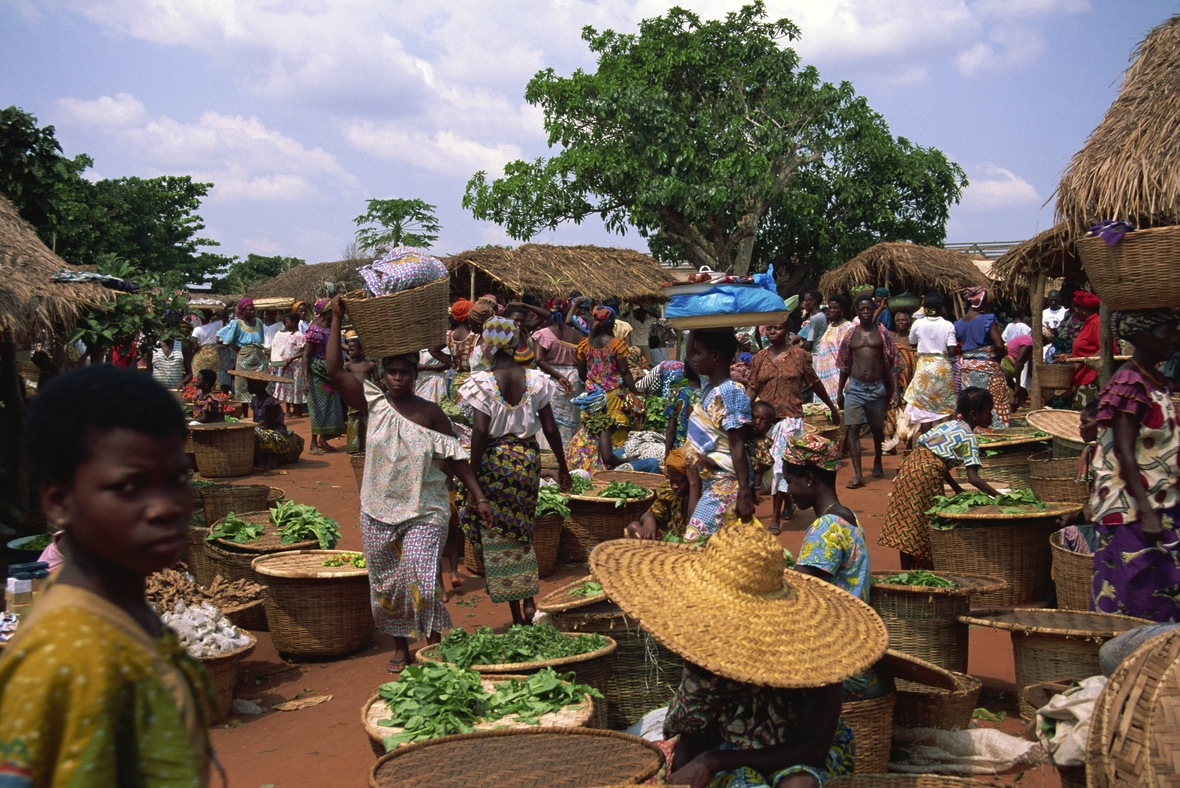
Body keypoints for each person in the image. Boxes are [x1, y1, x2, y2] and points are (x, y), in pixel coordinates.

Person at [0, 365, 213, 786]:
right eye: (129, 487)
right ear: (59, 501)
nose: (165, 506)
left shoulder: (123, 609)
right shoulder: (69, 652)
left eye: (177, 479)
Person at [590, 521, 886, 788]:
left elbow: (813, 747)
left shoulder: (819, 647)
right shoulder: (706, 646)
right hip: (729, 745)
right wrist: (690, 772)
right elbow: (694, 734)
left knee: (799, 785)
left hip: (798, 750)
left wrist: (715, 761)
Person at [325, 297, 494, 673]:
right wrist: (337, 319)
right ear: (382, 374)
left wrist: (478, 496)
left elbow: (456, 457)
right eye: (392, 372)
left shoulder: (430, 412)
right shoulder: (373, 403)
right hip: (377, 507)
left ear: (415, 375)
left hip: (424, 509)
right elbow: (334, 370)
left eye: (405, 372)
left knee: (419, 573)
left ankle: (432, 645)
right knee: (385, 584)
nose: (398, 378)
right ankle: (401, 647)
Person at [458, 315, 573, 625]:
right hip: (526, 462)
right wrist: (562, 467)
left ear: (489, 346)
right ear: (515, 344)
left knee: (497, 534)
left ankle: (516, 610)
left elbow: (480, 433)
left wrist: (473, 473)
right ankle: (530, 603)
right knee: (522, 530)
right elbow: (550, 428)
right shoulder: (535, 380)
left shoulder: (482, 382)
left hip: (495, 463)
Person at [1091, 308, 1180, 622]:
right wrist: (1145, 511)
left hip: (1160, 503)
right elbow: (1125, 453)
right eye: (1166, 332)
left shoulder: (1155, 379)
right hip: (1131, 511)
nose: (1174, 339)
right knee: (1134, 598)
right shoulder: (1129, 382)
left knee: (1166, 594)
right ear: (1141, 336)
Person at [879, 387, 1001, 568]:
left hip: (909, 467)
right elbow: (973, 478)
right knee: (924, 525)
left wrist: (956, 487)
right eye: (987, 412)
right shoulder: (969, 438)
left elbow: (933, 452)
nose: (991, 417)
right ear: (974, 415)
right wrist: (998, 495)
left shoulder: (948, 425)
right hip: (926, 475)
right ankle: (925, 571)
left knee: (907, 524)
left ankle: (905, 572)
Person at [682, 328, 754, 544]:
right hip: (711, 480)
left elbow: (737, 445)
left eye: (699, 353)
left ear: (714, 356)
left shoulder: (730, 391)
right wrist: (696, 324)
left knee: (694, 540)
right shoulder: (709, 387)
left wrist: (744, 492)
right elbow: (688, 358)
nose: (694, 359)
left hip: (727, 483)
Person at [837, 294, 899, 488]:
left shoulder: (883, 334)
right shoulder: (850, 335)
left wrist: (896, 390)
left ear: (873, 310)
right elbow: (844, 365)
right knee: (853, 429)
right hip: (855, 387)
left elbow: (894, 363)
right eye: (862, 309)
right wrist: (839, 392)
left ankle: (878, 461)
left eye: (869, 309)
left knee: (877, 429)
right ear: (857, 312)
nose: (865, 312)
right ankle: (858, 474)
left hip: (877, 388)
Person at [572, 306, 640, 471]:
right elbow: (625, 372)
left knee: (595, 430)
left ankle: (595, 463)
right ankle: (615, 465)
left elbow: (582, 373)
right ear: (612, 324)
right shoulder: (617, 344)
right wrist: (636, 392)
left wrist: (593, 384)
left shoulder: (584, 345)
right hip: (614, 395)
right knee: (615, 432)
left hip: (593, 396)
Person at [534, 298, 586, 448]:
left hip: (550, 377)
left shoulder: (543, 334)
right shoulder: (578, 336)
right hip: (573, 378)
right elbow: (582, 366)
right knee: (568, 420)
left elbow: (539, 360)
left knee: (547, 417)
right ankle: (566, 451)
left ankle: (546, 451)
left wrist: (559, 377)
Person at [954, 286, 1009, 428]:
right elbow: (999, 345)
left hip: (967, 369)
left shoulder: (958, 324)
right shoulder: (987, 319)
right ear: (981, 301)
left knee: (972, 402)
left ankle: (974, 431)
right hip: (988, 369)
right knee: (995, 403)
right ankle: (996, 433)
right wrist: (1002, 355)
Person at [904, 293, 958, 434]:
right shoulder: (948, 325)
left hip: (924, 369)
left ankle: (926, 445)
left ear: (925, 308)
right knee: (944, 406)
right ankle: (943, 441)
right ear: (942, 309)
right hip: (943, 368)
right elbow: (952, 351)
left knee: (924, 409)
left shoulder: (918, 323)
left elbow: (912, 342)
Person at [301, 299, 346, 454]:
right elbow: (306, 356)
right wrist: (306, 379)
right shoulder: (315, 330)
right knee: (317, 408)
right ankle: (313, 442)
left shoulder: (330, 328)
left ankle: (323, 440)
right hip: (317, 374)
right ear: (328, 312)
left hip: (330, 373)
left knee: (332, 407)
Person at [625, 448, 698, 542]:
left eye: (679, 481)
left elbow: (693, 527)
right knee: (634, 527)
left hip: (689, 546)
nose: (674, 486)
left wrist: (694, 485)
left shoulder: (702, 498)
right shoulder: (674, 496)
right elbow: (649, 513)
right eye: (671, 480)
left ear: (691, 479)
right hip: (671, 542)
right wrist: (649, 519)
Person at [241, 372, 305, 469]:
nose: (248, 387)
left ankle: (262, 462)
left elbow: (268, 425)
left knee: (252, 434)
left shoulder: (271, 403)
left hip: (276, 434)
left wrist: (250, 428)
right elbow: (256, 421)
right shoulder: (255, 400)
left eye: (251, 385)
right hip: (262, 431)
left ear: (261, 386)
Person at [217, 297, 268, 418]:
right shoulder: (237, 324)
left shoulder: (259, 322)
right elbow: (223, 337)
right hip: (244, 356)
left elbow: (261, 338)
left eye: (253, 310)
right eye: (249, 310)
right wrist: (238, 349)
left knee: (262, 383)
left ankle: (259, 414)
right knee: (242, 385)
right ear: (242, 311)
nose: (252, 312)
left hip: (259, 356)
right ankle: (245, 415)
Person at [1061, 291, 1105, 408]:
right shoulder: (1087, 324)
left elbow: (1106, 350)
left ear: (1083, 309)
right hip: (1082, 379)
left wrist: (1082, 361)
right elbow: (1088, 350)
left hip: (1091, 380)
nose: (1074, 315)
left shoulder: (1097, 323)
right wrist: (1070, 356)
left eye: (1075, 310)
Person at [884, 309, 918, 451]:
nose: (901, 322)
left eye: (904, 320)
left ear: (909, 322)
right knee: (892, 408)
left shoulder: (913, 339)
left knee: (908, 411)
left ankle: (908, 443)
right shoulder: (891, 336)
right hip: (894, 378)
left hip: (911, 379)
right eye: (898, 320)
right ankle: (890, 443)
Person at [813, 295, 855, 402]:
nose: (831, 310)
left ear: (843, 309)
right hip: (824, 376)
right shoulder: (830, 326)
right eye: (830, 308)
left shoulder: (848, 327)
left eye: (835, 308)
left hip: (838, 376)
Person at [344, 333, 377, 454]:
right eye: (349, 350)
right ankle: (354, 446)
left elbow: (377, 381)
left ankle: (367, 445)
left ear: (362, 350)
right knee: (353, 419)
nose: (350, 352)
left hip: (368, 396)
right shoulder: (348, 366)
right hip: (354, 396)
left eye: (352, 350)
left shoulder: (371, 365)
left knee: (368, 420)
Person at [271, 313, 307, 417]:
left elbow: (304, 351)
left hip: (296, 367)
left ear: (294, 322)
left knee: (296, 388)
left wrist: (292, 358)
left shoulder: (299, 336)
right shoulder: (291, 335)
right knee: (291, 388)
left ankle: (298, 411)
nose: (286, 325)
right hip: (289, 366)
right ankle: (294, 410)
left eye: (287, 322)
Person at [1002, 305, 1033, 410]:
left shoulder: (1009, 326)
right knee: (1020, 381)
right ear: (1023, 314)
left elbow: (1003, 339)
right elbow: (1019, 361)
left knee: (1015, 384)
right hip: (1017, 357)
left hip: (1011, 354)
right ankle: (1015, 402)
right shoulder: (1025, 329)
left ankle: (1017, 403)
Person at [746, 401, 776, 497]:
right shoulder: (745, 434)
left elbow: (760, 469)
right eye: (754, 417)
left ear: (768, 428)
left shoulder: (760, 443)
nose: (757, 422)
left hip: (757, 480)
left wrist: (756, 488)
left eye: (764, 422)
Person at [191, 311, 223, 382]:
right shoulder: (215, 325)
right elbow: (224, 319)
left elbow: (195, 346)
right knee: (214, 374)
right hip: (213, 355)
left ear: (200, 317)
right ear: (211, 317)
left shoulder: (197, 330)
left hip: (201, 356)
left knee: (199, 375)